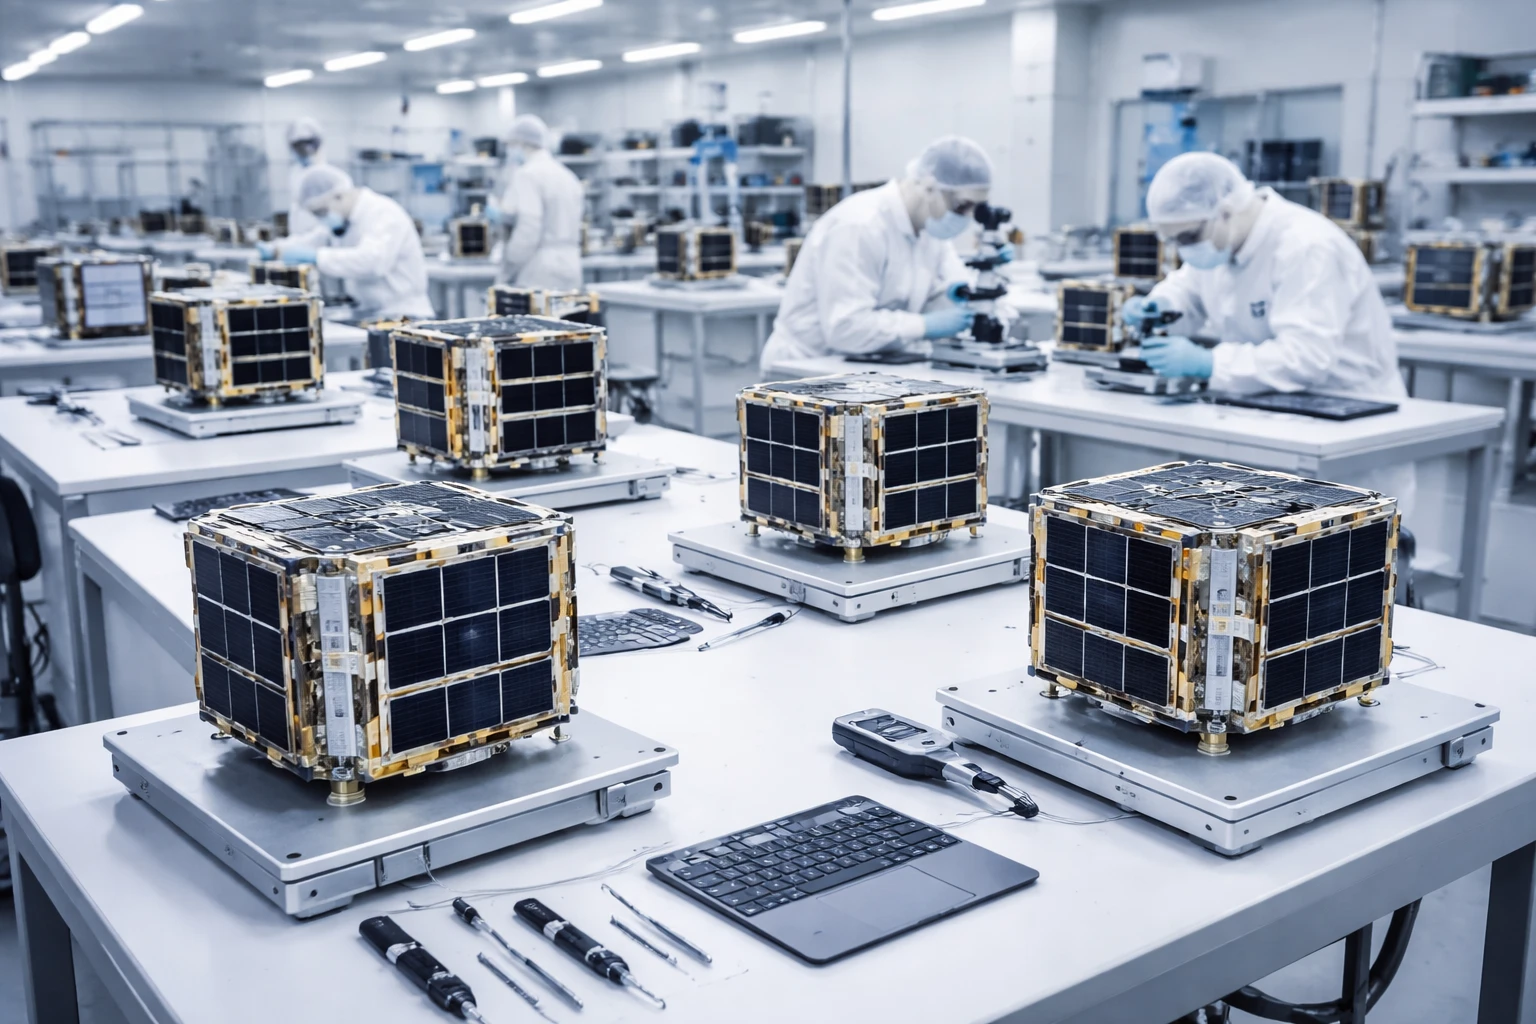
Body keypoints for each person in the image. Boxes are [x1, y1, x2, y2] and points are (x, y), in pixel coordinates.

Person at [1129, 151, 1415, 514]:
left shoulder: (1305, 245)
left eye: (1187, 237)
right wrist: (1158, 308)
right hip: (1273, 416)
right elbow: (1187, 290)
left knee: (1347, 559)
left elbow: (1305, 357)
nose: (1183, 249)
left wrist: (1208, 363)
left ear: (1226, 209)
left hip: (1348, 424)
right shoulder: (1221, 241)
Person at [758, 136, 998, 374]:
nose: (966, 217)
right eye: (962, 206)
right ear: (929, 186)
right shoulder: (860, 225)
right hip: (803, 371)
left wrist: (970, 287)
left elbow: (946, 295)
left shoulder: (930, 232)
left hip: (862, 371)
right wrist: (924, 326)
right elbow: (846, 328)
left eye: (976, 209)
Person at [263, 164, 434, 319]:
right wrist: (277, 248)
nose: (322, 218)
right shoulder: (345, 219)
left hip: (405, 314)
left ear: (339, 196)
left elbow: (372, 262)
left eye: (322, 211)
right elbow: (314, 239)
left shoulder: (383, 213)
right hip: (370, 312)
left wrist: (317, 257)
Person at [493, 114, 584, 290]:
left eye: (511, 145)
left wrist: (510, 265)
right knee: (566, 316)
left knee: (535, 317)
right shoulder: (567, 175)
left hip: (540, 268)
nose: (510, 151)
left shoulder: (527, 175)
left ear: (522, 143)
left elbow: (529, 228)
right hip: (571, 264)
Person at [284, 117, 327, 238]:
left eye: (308, 144)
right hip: (298, 235)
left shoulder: (326, 174)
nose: (304, 149)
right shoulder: (295, 173)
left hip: (318, 237)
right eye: (298, 146)